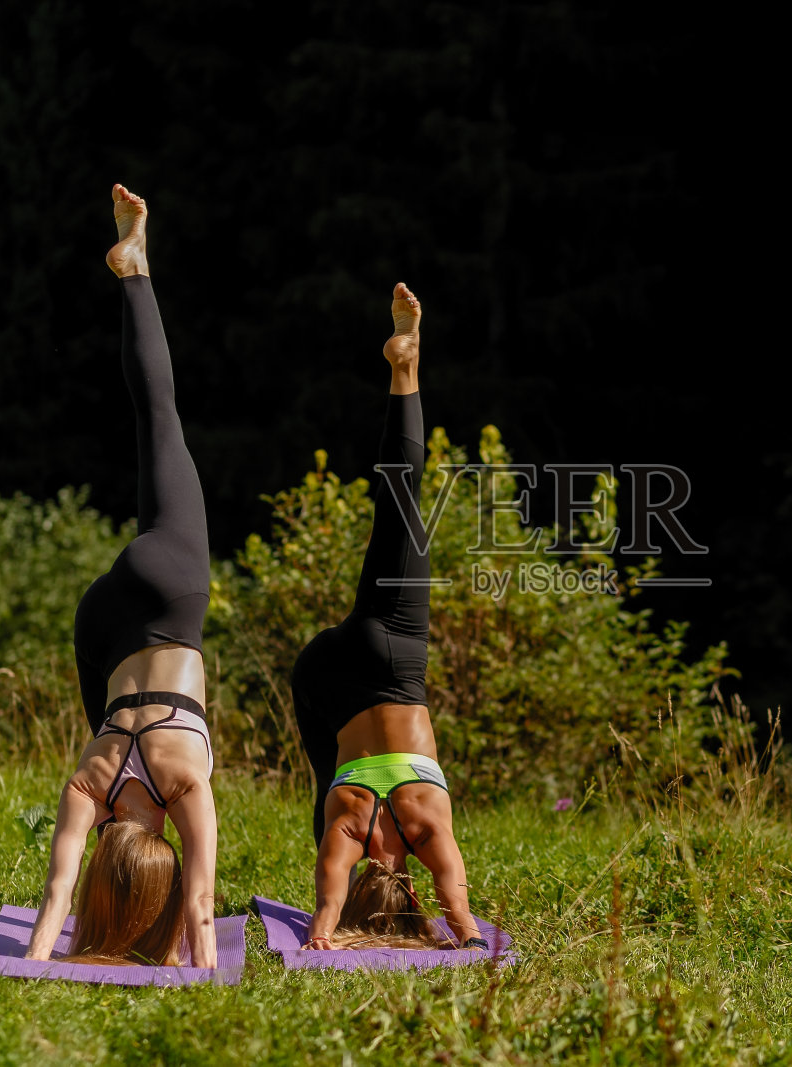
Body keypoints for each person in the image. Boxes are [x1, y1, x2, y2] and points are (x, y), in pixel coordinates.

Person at [26, 184, 218, 967]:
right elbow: (52, 902)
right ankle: (132, 265)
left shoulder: (182, 784)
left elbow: (203, 909)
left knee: (159, 419)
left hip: (169, 594)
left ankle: (134, 267)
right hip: (100, 623)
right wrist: (37, 954)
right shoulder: (89, 784)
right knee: (156, 428)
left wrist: (201, 966)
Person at [292, 283, 483, 951]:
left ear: (407, 895)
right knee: (325, 781)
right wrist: (323, 931)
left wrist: (457, 927)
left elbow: (459, 906)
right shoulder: (347, 831)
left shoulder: (425, 823)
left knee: (402, 504)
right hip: (322, 679)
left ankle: (406, 365)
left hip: (393, 662)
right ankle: (404, 361)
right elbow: (325, 901)